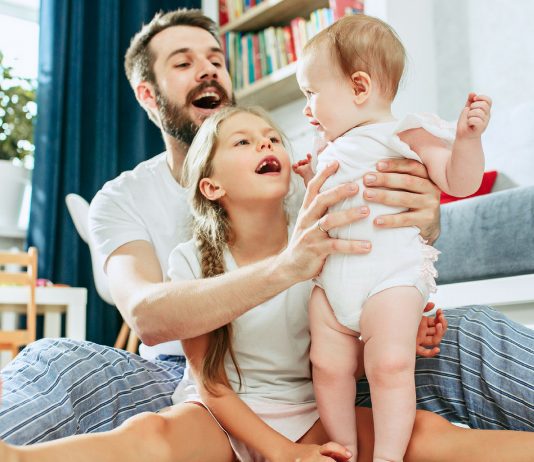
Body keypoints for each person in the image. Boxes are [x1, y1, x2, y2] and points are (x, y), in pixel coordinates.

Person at [0, 7, 531, 449]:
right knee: (59, 361)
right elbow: (147, 314)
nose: (209, 70)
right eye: (184, 63)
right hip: (183, 378)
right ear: (147, 94)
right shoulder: (122, 199)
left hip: (317, 369)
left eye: (216, 59)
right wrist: (286, 268)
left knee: (465, 333)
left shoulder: (302, 173)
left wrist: (424, 214)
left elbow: (383, 238)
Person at [291, 15, 492, 462]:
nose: (307, 108)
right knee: (325, 366)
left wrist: (466, 141)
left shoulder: (403, 133)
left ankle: (387, 456)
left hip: (389, 276)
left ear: (359, 88)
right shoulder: (330, 148)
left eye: (312, 94)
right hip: (333, 282)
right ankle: (343, 449)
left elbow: (459, 181)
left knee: (389, 366)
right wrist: (312, 177)